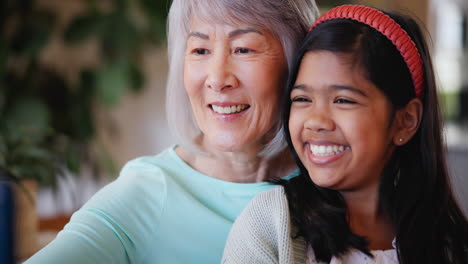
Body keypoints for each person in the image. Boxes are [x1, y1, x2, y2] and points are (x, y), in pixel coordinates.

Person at [25, 0, 319, 263]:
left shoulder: (337, 180)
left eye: (243, 49)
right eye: (200, 50)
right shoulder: (145, 195)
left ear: (298, 62)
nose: (217, 79)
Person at [222, 5, 468, 264]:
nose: (316, 121)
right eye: (302, 98)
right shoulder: (270, 222)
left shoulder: (449, 243)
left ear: (405, 121)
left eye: (343, 100)